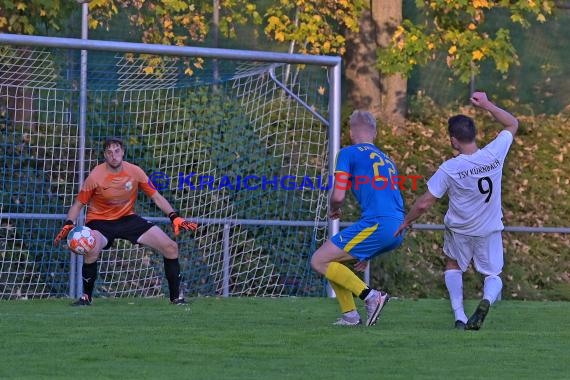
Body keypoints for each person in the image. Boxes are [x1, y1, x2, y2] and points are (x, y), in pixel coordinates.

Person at [394, 91, 518, 330]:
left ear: (453, 140)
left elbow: (424, 202)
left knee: (453, 266)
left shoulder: (450, 168)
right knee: (493, 275)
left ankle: (460, 317)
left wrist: (406, 221)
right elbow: (513, 123)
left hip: (460, 231)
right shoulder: (494, 153)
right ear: (474, 134)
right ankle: (486, 300)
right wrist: (487, 104)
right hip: (489, 229)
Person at [54, 137, 197, 306]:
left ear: (122, 152)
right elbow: (78, 204)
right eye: (109, 152)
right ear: (105, 156)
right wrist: (68, 224)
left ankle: (176, 299)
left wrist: (174, 216)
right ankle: (86, 297)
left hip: (127, 219)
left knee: (171, 247)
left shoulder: (135, 172)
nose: (113, 155)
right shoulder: (96, 176)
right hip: (100, 222)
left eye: (116, 151)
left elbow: (156, 197)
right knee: (91, 247)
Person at [310, 110, 405, 326]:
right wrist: (369, 251)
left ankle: (371, 296)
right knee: (331, 260)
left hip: (377, 224)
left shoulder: (348, 153)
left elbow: (338, 194)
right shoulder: (388, 160)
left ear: (351, 132)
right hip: (397, 226)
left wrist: (334, 208)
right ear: (376, 133)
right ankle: (350, 315)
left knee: (318, 260)